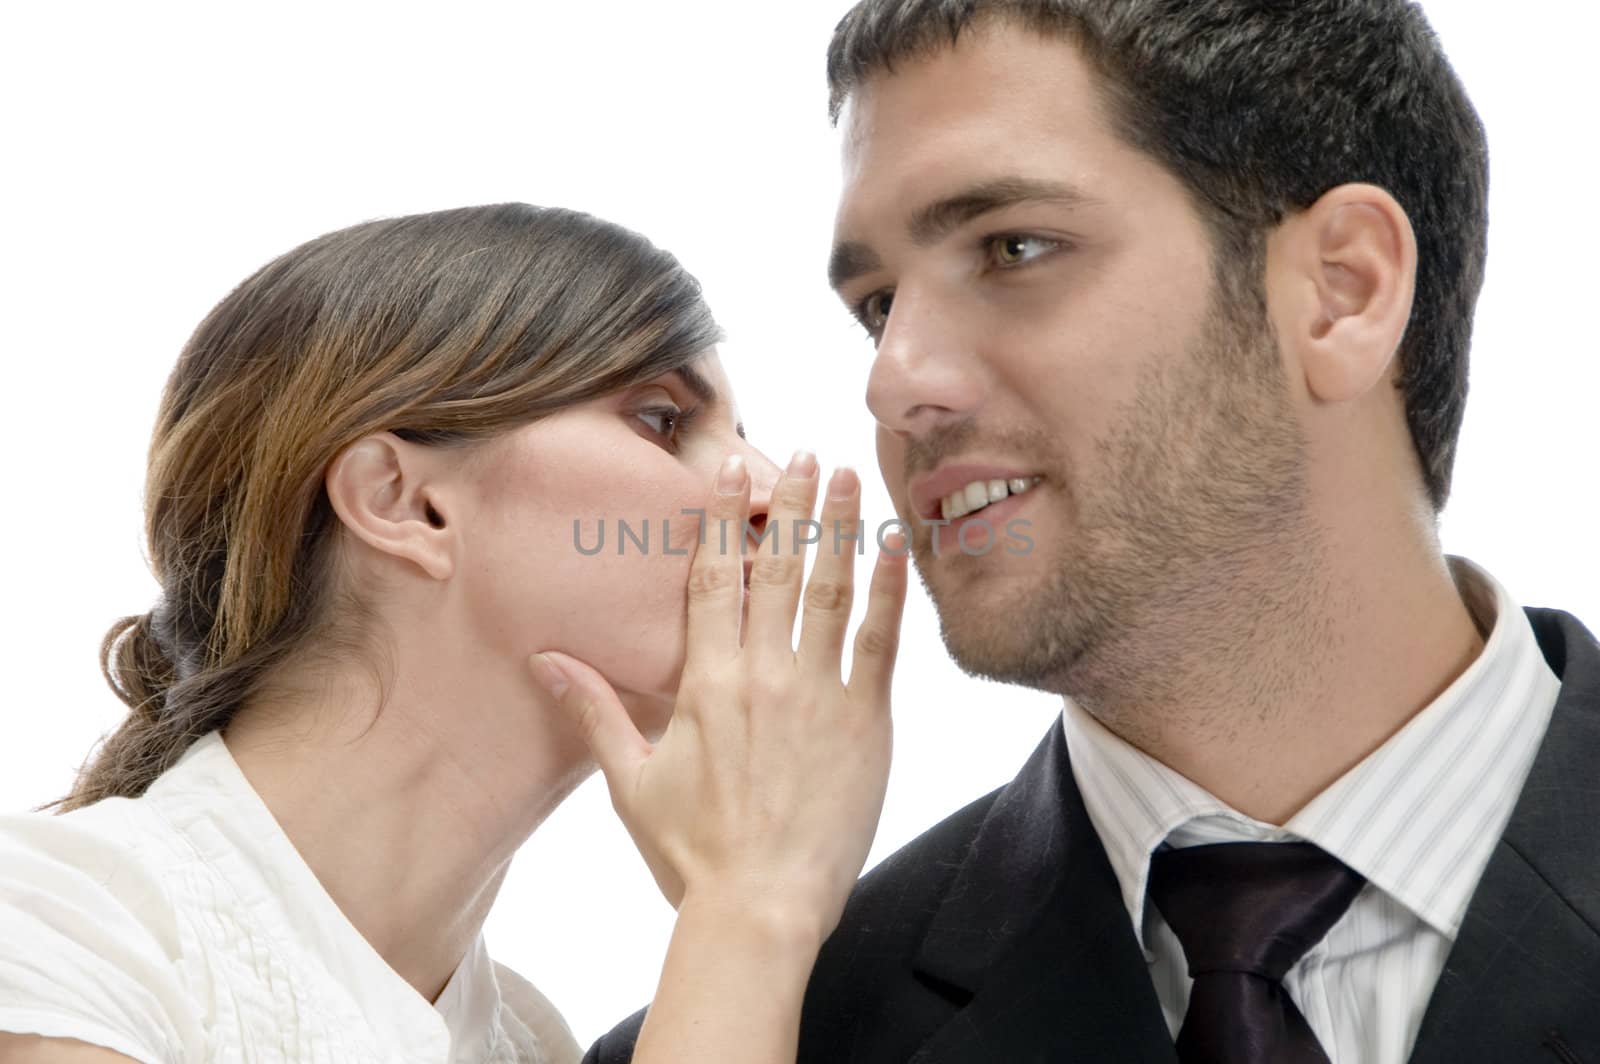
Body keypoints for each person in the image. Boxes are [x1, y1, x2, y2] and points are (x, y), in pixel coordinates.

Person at [586, 1, 1600, 1062]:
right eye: (879, 306)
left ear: (1341, 291)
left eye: (1012, 247)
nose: (894, 383)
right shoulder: (761, 1030)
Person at [0, 204, 910, 1063]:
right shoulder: (51, 931)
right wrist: (749, 909)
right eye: (663, 420)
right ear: (404, 501)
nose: (763, 488)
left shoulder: (527, 1038)